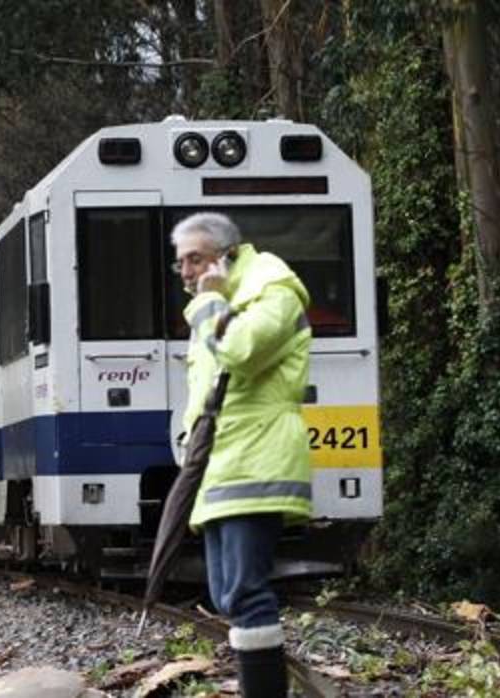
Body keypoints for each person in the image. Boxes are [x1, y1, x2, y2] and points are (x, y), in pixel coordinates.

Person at [171, 212, 312, 697]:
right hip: (223, 467)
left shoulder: (272, 289)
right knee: (226, 594)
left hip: (257, 462)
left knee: (247, 592)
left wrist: (210, 300)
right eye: (181, 263)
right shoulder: (220, 303)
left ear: (226, 256)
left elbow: (243, 351)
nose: (186, 272)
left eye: (194, 259)